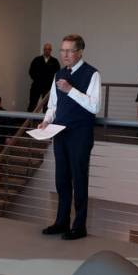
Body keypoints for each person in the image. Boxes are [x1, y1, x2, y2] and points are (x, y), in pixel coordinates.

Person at [38, 34, 100, 241]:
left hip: (80, 134)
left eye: (69, 50)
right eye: (62, 50)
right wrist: (46, 120)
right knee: (61, 179)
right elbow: (53, 105)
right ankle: (61, 221)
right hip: (59, 132)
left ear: (80, 51)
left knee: (79, 179)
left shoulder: (92, 74)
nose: (64, 54)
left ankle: (79, 226)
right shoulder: (58, 74)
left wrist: (71, 90)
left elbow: (94, 106)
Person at [28, 43, 60, 112]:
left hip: (48, 87)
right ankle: (30, 121)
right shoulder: (37, 60)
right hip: (36, 86)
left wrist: (51, 82)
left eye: (48, 49)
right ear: (43, 50)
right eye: (45, 49)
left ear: (51, 50)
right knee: (32, 104)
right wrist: (37, 79)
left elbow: (57, 74)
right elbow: (31, 72)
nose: (47, 51)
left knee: (47, 105)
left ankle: (45, 121)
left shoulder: (54, 61)